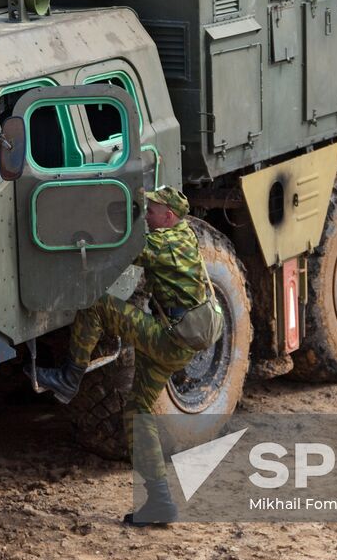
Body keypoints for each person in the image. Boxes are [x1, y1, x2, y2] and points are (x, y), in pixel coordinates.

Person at [34, 186, 222, 526]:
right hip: (179, 337)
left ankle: (69, 377)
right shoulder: (183, 233)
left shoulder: (165, 244)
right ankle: (159, 502)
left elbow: (122, 251)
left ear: (168, 216)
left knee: (96, 305)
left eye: (151, 210)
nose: (146, 214)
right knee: (137, 411)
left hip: (170, 340)